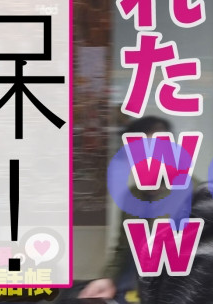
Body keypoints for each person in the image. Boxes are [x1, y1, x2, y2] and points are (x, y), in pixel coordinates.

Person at [78, 116, 173, 302]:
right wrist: (108, 278)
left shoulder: (195, 196)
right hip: (127, 291)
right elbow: (122, 247)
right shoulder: (132, 196)